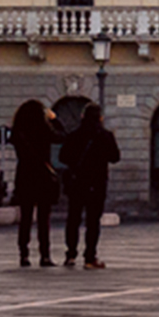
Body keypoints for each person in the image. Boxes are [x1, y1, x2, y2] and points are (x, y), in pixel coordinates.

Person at [58, 104, 121, 269]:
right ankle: (89, 257)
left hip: (77, 182)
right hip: (97, 183)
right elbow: (115, 157)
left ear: (82, 117)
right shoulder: (105, 136)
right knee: (93, 221)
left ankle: (70, 255)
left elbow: (63, 157)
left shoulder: (74, 135)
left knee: (73, 219)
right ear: (100, 118)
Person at [8, 99, 62, 267]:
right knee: (43, 219)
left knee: (25, 218)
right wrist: (54, 119)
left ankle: (23, 255)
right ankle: (45, 255)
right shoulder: (44, 129)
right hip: (42, 176)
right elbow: (62, 136)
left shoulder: (18, 132)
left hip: (24, 176)